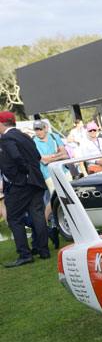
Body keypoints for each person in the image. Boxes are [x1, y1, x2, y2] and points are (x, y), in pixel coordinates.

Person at [0, 111, 49, 266]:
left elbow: (16, 157)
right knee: (37, 215)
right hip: (35, 181)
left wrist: (22, 174)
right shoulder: (25, 136)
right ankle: (43, 250)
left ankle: (25, 254)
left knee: (14, 218)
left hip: (22, 183)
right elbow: (37, 156)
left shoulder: (7, 138)